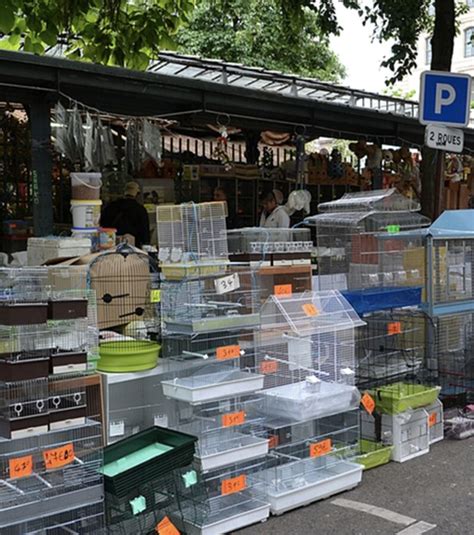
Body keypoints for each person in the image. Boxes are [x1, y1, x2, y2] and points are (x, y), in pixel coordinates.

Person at [101, 181, 150, 247]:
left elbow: (103, 225)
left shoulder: (111, 206)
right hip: (133, 246)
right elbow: (145, 233)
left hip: (112, 244)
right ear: (137, 194)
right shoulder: (140, 210)